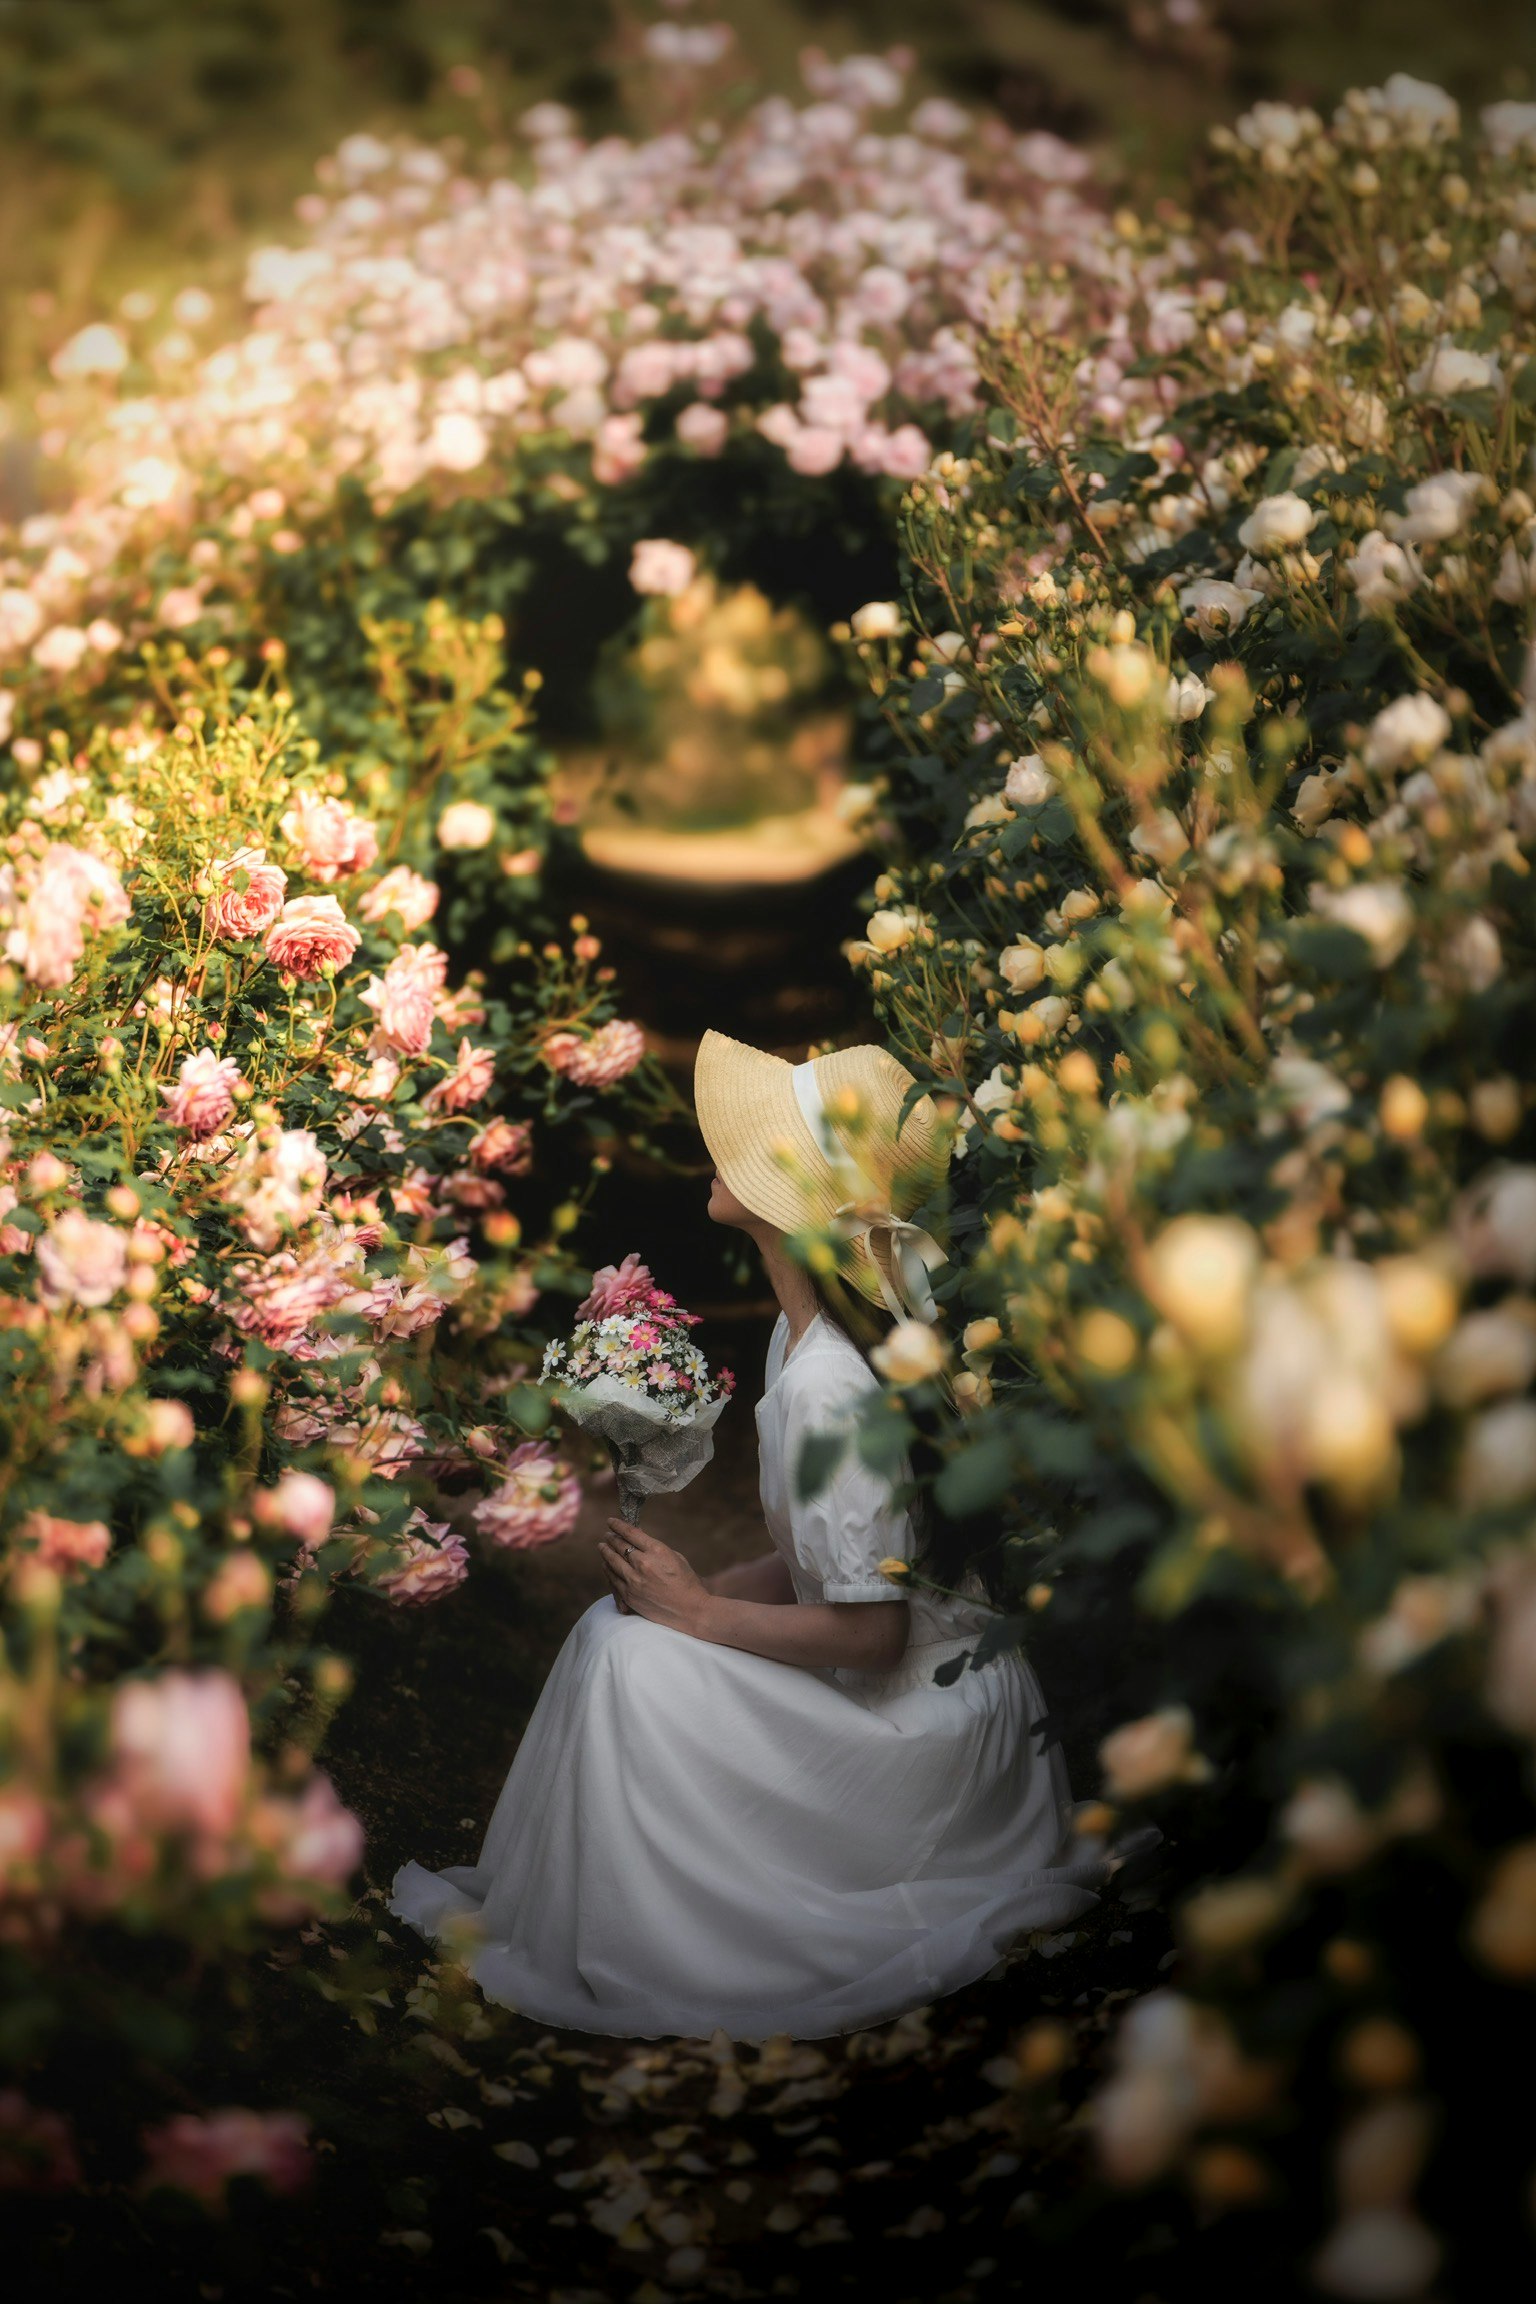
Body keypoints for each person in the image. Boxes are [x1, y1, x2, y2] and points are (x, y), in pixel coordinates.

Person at [388, 1031, 1099, 2039]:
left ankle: (675, 1943)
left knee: (637, 1661)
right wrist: (704, 1592)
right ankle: (596, 1918)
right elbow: (835, 1561)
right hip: (918, 1683)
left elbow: (875, 1633)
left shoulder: (831, 1385)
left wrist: (702, 1613)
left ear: (793, 1201)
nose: (720, 1146)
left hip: (932, 1727)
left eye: (756, 1142)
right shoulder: (804, 1332)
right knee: (616, 1633)